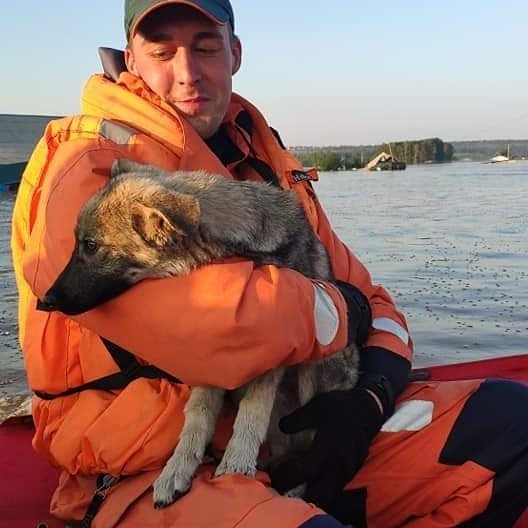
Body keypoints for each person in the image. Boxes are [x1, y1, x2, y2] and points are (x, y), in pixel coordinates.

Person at [10, 1, 528, 527]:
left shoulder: (270, 167)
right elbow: (226, 326)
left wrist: (372, 393)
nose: (187, 72)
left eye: (206, 48)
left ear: (234, 54)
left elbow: (372, 299)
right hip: (146, 465)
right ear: (130, 60)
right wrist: (341, 309)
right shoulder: (88, 167)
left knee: (514, 423)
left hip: (290, 437)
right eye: (162, 52)